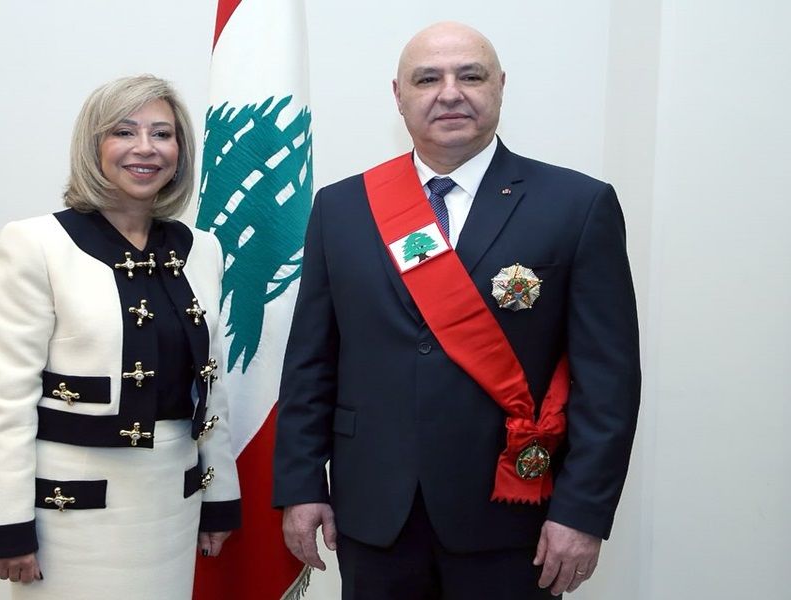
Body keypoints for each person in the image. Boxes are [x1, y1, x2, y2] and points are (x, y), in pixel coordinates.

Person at [273, 22, 640, 599]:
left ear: (500, 86)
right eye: (428, 79)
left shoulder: (577, 204)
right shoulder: (341, 208)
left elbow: (608, 379)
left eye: (470, 76)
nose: (450, 93)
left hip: (513, 513)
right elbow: (311, 362)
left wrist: (583, 511)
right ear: (398, 95)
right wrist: (300, 485)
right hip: (374, 510)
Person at [0, 75, 241, 599]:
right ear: (94, 146)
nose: (146, 148)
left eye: (162, 134)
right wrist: (6, 523)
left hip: (173, 507)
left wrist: (220, 497)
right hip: (70, 513)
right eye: (124, 131)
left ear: (180, 150)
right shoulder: (36, 243)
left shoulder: (203, 248)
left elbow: (213, 388)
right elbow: (8, 398)